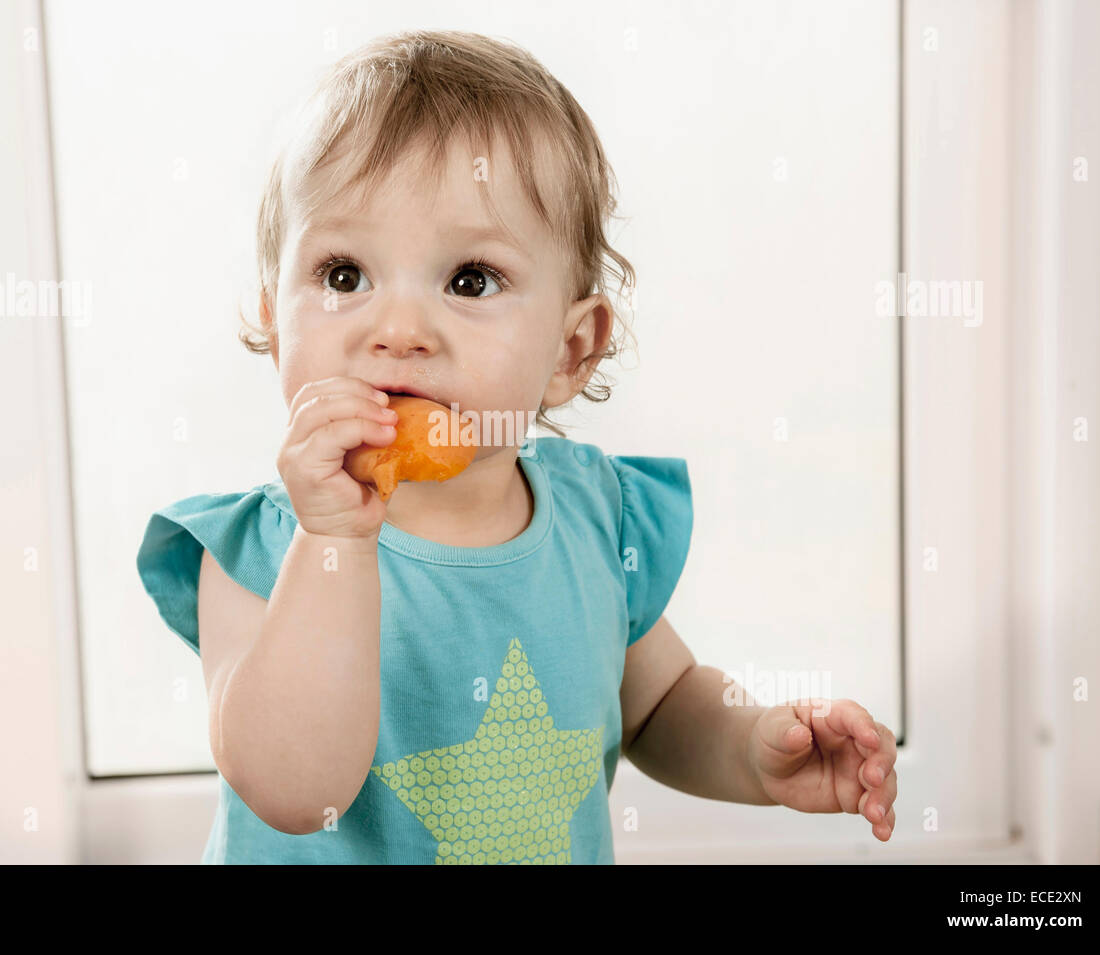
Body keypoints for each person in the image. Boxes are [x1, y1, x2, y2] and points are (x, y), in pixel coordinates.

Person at [136, 29, 896, 864]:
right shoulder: (264, 550)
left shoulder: (596, 518)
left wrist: (753, 745)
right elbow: (294, 790)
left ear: (571, 352)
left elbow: (659, 702)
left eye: (470, 280)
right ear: (276, 325)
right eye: (344, 274)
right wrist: (333, 541)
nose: (397, 331)